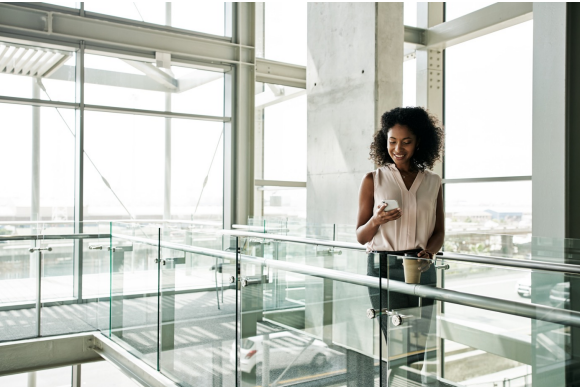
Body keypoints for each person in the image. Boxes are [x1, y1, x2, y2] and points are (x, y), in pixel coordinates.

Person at [356, 106, 445, 371]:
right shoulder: (373, 179)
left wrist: (429, 253)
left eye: (406, 141)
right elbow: (361, 236)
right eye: (392, 141)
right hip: (383, 267)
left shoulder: (433, 182)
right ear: (384, 143)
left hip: (422, 267)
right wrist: (377, 220)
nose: (398, 148)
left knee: (421, 343)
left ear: (419, 142)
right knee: (397, 342)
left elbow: (439, 231)